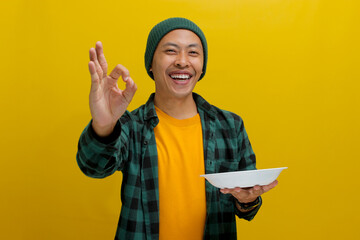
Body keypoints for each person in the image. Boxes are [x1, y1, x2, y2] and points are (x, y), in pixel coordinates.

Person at [76, 17, 278, 240]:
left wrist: (248, 200)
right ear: (151, 64)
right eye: (171, 51)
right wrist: (104, 124)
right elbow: (93, 167)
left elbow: (247, 205)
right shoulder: (130, 126)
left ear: (202, 67)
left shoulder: (230, 126)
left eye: (193, 53)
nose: (183, 62)